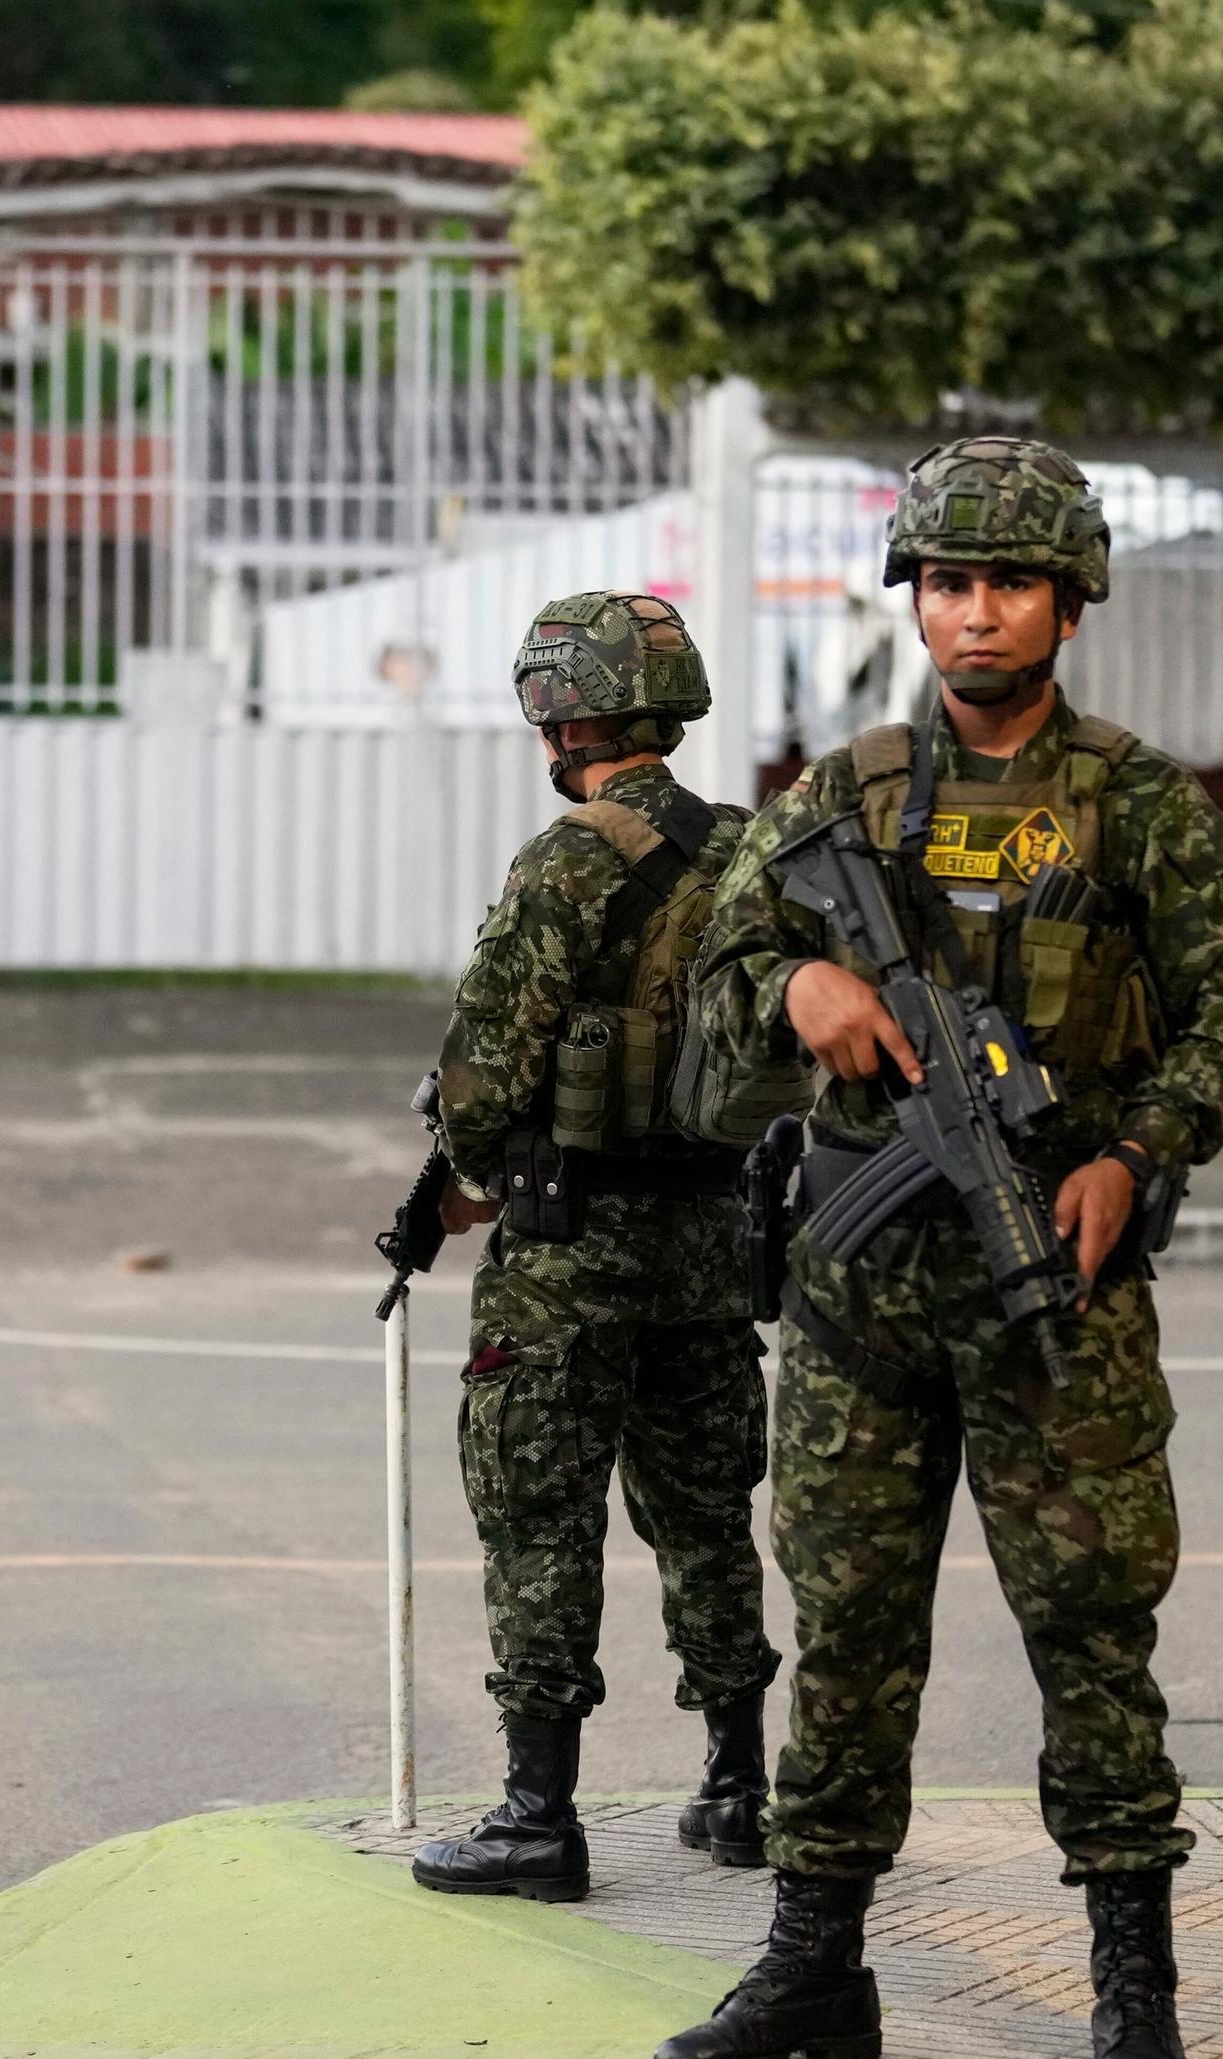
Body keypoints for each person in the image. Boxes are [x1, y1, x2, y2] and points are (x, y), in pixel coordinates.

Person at [659, 438, 1223, 2059]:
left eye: (1005, 581)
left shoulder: (1139, 804)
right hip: (862, 1306)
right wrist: (802, 1002)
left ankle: (1132, 1986)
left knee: (1090, 1633)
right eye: (943, 580)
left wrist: (1133, 1156)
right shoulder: (841, 795)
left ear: (1069, 601)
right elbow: (714, 976)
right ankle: (814, 1961)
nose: (972, 610)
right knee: (846, 1630)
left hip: (1051, 1293)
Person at [407, 592, 796, 1908]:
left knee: (539, 1524)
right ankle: (742, 1791)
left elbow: (483, 1076)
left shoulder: (566, 859)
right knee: (707, 1520)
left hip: (568, 1246)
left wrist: (461, 1177)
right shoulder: (747, 848)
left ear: (560, 712)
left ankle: (538, 1815)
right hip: (710, 1238)